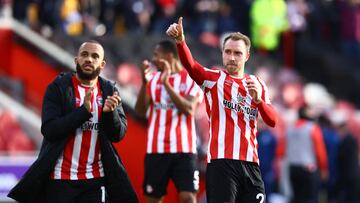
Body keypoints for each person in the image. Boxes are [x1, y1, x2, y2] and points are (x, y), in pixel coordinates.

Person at [8, 41, 138, 203]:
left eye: (95, 56)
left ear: (102, 64)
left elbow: (117, 135)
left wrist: (110, 114)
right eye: (84, 55)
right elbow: (49, 130)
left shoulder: (110, 91)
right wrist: (83, 111)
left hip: (95, 179)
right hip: (61, 179)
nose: (89, 59)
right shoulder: (58, 88)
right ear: (76, 60)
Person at [166, 17, 278, 203]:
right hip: (222, 163)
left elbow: (272, 121)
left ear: (247, 56)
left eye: (237, 53)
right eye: (227, 52)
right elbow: (192, 67)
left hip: (251, 165)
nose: (232, 57)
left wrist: (258, 101)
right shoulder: (214, 79)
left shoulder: (257, 84)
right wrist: (180, 42)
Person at [135, 40, 202, 203]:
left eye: (157, 55)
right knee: (152, 199)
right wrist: (144, 83)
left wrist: (167, 85)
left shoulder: (189, 79)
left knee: (188, 197)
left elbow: (188, 109)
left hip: (184, 150)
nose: (153, 59)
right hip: (156, 149)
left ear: (169, 56)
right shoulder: (152, 79)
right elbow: (140, 111)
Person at [279, 106, 328, 203]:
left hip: (292, 167)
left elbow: (281, 151)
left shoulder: (289, 129)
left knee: (296, 198)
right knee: (310, 198)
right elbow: (320, 152)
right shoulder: (313, 128)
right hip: (309, 168)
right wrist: (323, 169)